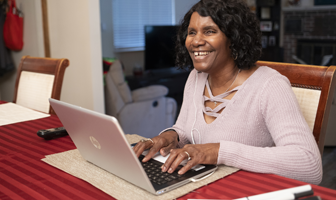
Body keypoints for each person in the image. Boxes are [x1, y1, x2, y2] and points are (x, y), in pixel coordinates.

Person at [133, 0, 322, 185]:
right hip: (201, 185)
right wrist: (170, 136)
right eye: (192, 32)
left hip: (247, 190)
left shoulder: (270, 85)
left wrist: (218, 152)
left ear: (235, 38)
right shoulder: (196, 77)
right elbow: (185, 130)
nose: (196, 41)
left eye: (209, 31)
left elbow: (309, 165)